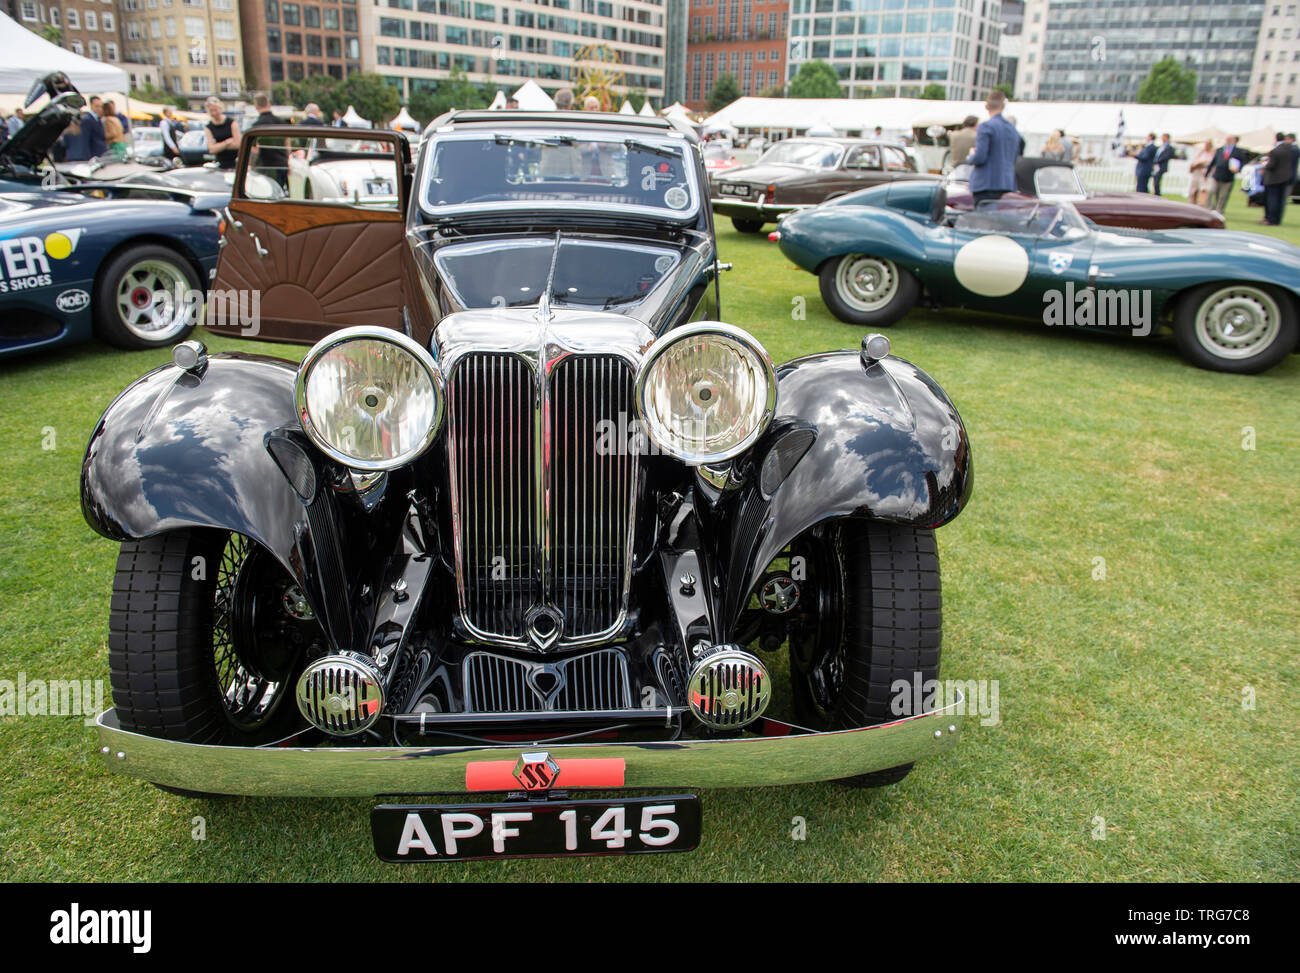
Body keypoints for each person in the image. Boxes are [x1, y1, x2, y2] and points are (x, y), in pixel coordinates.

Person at [967, 89, 1020, 204]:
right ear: (1003, 106)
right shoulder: (1013, 130)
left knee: (983, 219)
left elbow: (980, 157)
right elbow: (1015, 157)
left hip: (986, 184)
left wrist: (971, 156)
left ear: (986, 106)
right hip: (1006, 183)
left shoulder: (986, 127)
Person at [246, 92, 288, 187]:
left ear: (256, 106)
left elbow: (254, 150)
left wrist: (252, 166)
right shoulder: (281, 123)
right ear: (268, 104)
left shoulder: (256, 126)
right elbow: (287, 144)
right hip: (282, 163)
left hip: (265, 165)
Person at [1206, 135, 1245, 213]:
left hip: (1228, 177)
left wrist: (1238, 169)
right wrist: (1207, 173)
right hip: (1217, 175)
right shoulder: (1220, 150)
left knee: (1222, 196)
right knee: (1211, 191)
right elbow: (1213, 162)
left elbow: (1242, 162)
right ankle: (1208, 208)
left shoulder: (1238, 151)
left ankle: (1219, 210)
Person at [1260, 132, 1291, 226]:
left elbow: (1271, 165)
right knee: (1281, 200)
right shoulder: (1289, 149)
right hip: (1285, 178)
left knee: (1272, 200)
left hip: (1273, 179)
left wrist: (1264, 165)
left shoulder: (1275, 151)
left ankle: (1270, 219)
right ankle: (1277, 220)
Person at [204, 95, 240, 169]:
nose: (214, 113)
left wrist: (218, 146)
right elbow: (211, 149)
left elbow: (237, 144)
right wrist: (226, 143)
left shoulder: (231, 123)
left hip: (236, 161)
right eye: (211, 111)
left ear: (220, 108)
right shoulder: (208, 127)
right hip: (220, 162)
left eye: (215, 110)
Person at [1186, 139, 1214, 207]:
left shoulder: (1212, 154)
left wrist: (1203, 164)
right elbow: (1193, 163)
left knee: (1203, 191)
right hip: (1196, 173)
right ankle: (1192, 204)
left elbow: (1211, 164)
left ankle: (1201, 206)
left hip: (1205, 175)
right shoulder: (1200, 153)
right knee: (1193, 191)